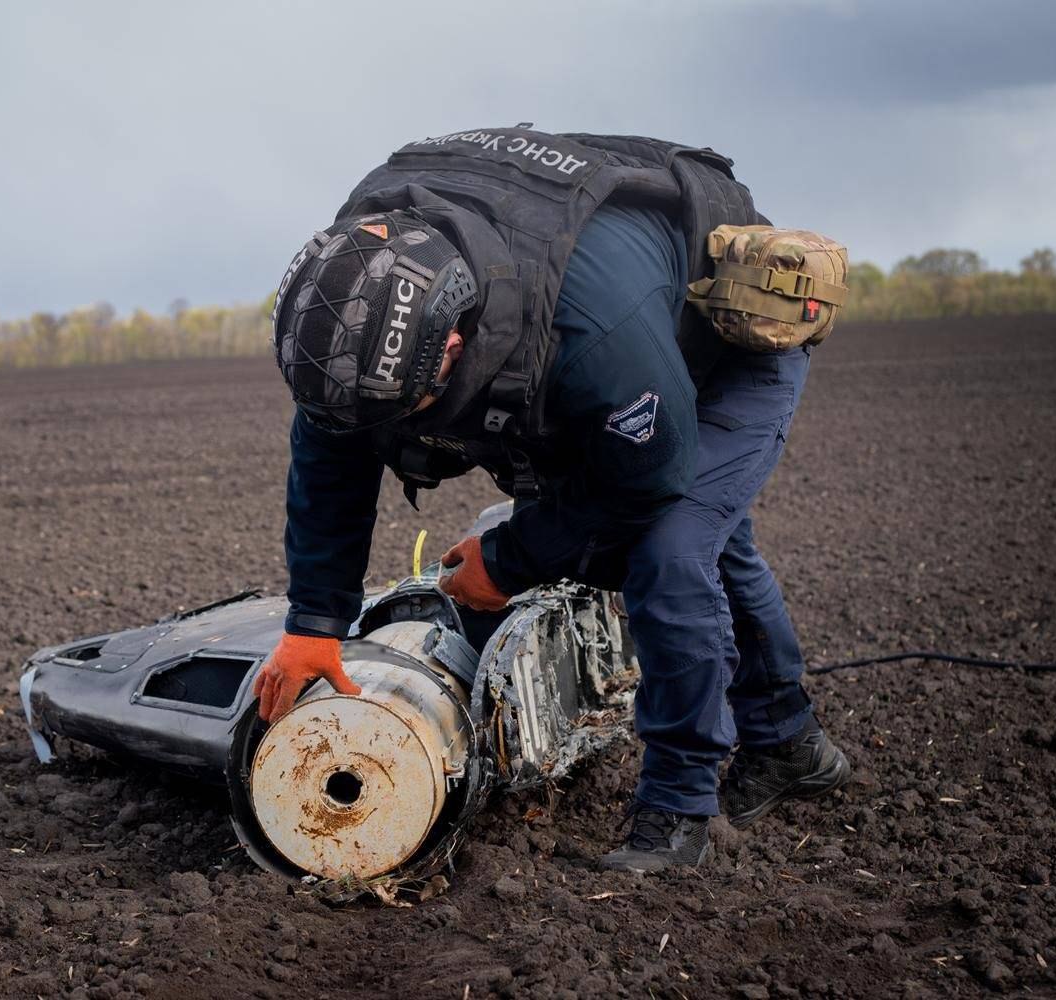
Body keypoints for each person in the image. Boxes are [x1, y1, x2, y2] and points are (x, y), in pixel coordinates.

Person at [251, 127, 850, 872]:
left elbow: (648, 476)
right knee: (710, 538)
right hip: (631, 331)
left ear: (453, 345)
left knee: (672, 546)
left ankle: (679, 807)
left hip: (728, 333)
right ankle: (791, 744)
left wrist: (510, 559)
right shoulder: (357, 299)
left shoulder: (591, 336)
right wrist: (315, 622)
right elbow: (333, 444)